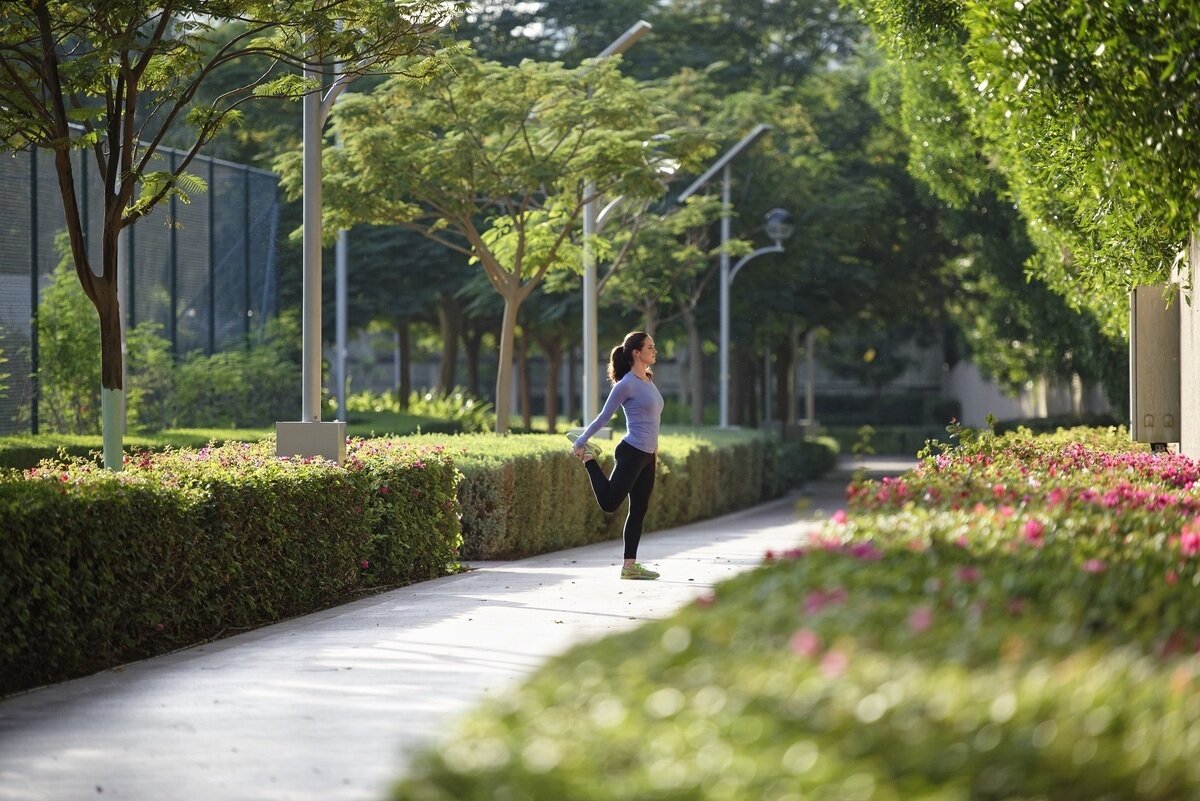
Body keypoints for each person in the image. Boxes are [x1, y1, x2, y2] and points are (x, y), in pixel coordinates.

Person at [569, 331, 664, 580]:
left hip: (648, 455)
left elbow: (653, 420)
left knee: (639, 509)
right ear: (636, 352)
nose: (655, 351)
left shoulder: (648, 380)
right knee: (610, 503)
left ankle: (629, 566)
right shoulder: (626, 384)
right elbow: (604, 416)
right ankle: (589, 459)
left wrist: (655, 450)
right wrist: (581, 441)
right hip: (631, 451)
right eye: (650, 347)